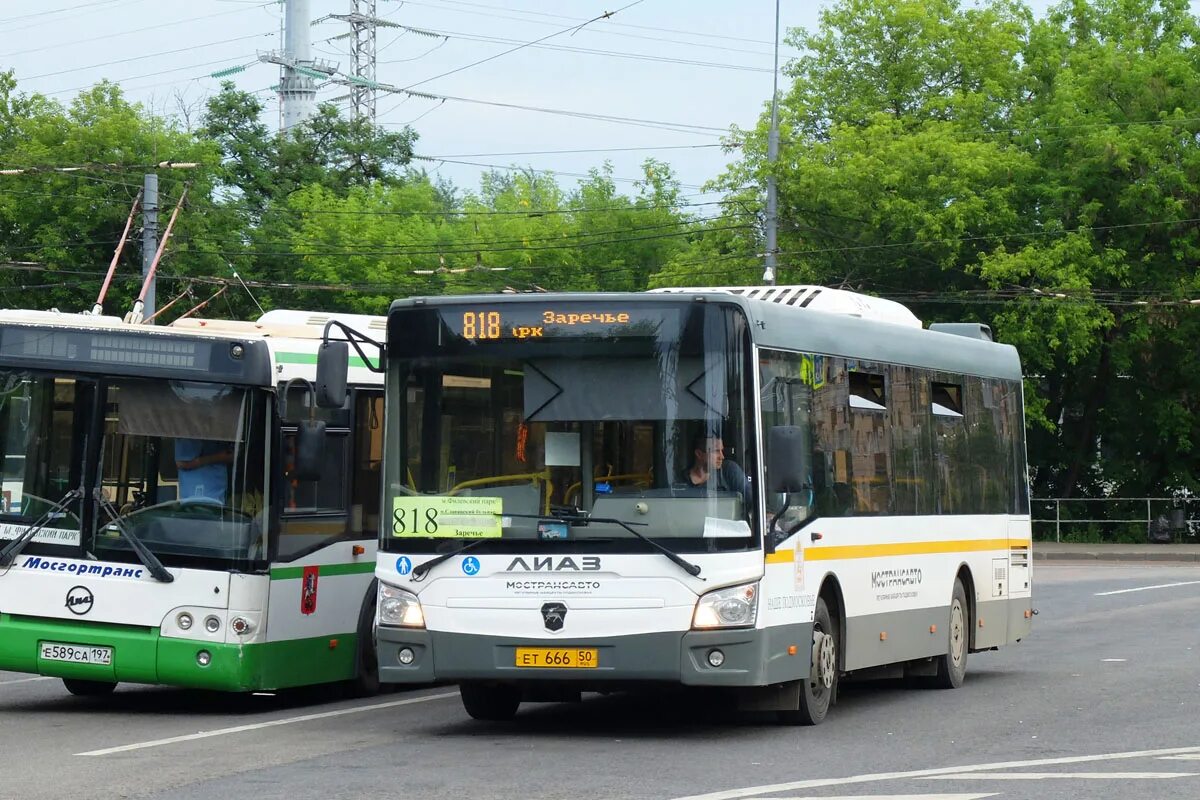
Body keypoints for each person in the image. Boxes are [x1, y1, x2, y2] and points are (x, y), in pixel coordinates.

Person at [681, 432, 749, 503]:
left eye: (721, 451)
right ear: (699, 454)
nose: (722, 457)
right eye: (716, 451)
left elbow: (752, 499)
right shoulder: (680, 481)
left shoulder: (729, 470)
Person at [175, 438, 234, 505]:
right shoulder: (190, 430)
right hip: (198, 495)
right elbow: (182, 463)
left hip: (218, 495)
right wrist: (219, 457)